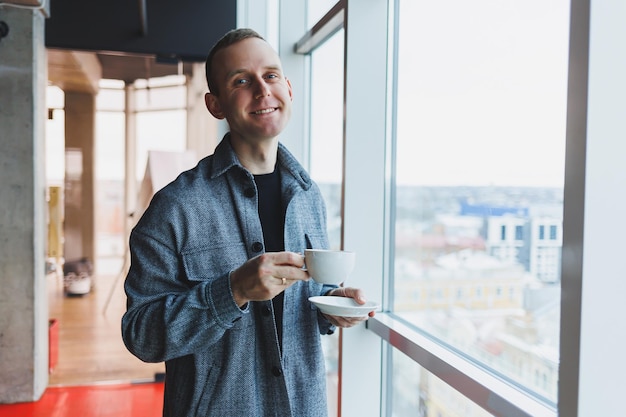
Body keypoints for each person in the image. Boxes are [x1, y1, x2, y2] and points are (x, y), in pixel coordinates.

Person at [121, 28, 375, 417]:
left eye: (271, 75)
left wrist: (334, 306)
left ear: (288, 88)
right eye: (241, 80)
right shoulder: (174, 207)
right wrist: (233, 290)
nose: (262, 90)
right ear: (215, 104)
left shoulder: (309, 196)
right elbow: (141, 335)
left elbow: (309, 299)